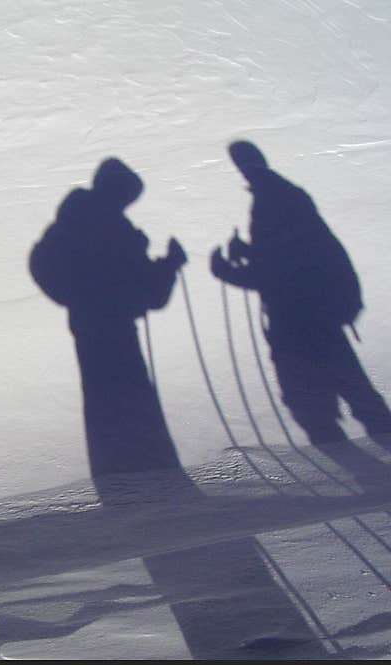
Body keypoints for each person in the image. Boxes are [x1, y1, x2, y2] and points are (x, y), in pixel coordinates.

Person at [210, 140, 391, 445]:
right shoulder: (285, 196)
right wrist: (251, 253)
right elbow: (290, 254)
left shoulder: (271, 200)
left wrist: (228, 271)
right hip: (318, 312)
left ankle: (368, 477)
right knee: (349, 389)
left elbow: (279, 269)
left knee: (310, 402)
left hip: (297, 318)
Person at [29, 158, 188, 483]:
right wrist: (169, 265)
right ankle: (147, 473)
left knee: (105, 401)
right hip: (115, 326)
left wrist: (77, 296)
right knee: (129, 399)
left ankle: (117, 474)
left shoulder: (72, 222)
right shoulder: (113, 227)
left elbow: (43, 264)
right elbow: (149, 293)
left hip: (89, 325)